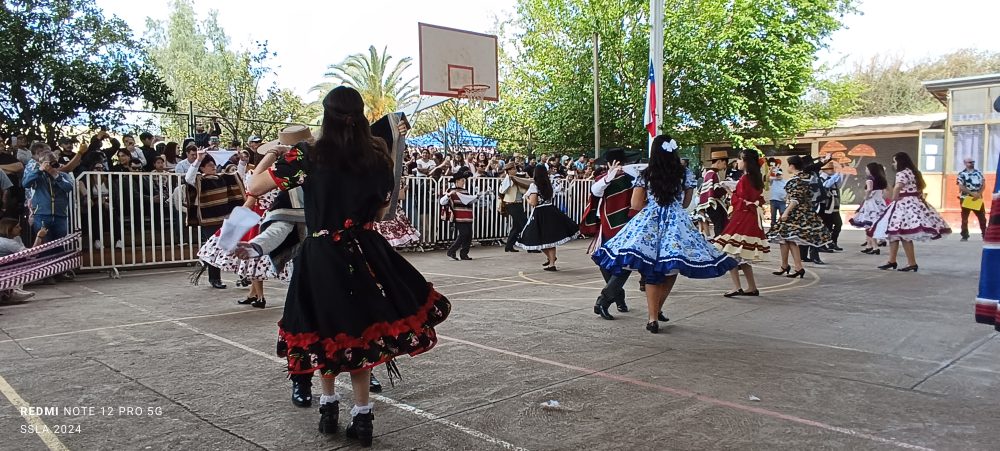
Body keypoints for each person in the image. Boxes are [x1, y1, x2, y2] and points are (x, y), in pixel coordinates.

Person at [246, 86, 451, 445]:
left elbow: (255, 186)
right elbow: (383, 211)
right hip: (364, 249)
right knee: (360, 328)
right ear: (360, 116)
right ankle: (363, 414)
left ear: (326, 115)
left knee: (323, 327)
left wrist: (272, 156)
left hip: (321, 253)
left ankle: (328, 407)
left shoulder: (307, 155)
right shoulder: (376, 155)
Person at [594, 135, 737, 333]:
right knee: (671, 267)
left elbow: (635, 204)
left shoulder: (646, 174)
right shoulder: (684, 173)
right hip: (676, 222)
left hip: (650, 219)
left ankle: (653, 318)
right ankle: (657, 309)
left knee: (651, 268)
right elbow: (686, 203)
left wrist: (651, 205)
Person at [582, 149, 639, 319]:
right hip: (606, 227)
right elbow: (596, 191)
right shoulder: (604, 179)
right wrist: (610, 176)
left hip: (627, 229)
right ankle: (618, 297)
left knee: (624, 265)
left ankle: (603, 300)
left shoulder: (633, 179)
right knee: (604, 263)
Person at [871, 152, 951, 272]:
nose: (893, 164)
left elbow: (898, 186)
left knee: (900, 233)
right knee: (896, 234)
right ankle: (895, 261)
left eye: (894, 161)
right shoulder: (914, 172)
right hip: (913, 202)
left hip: (903, 204)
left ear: (900, 161)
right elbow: (919, 188)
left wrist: (894, 198)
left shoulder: (901, 173)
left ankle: (906, 262)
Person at [713, 149, 770, 297]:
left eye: (739, 160)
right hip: (750, 218)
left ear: (746, 162)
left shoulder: (745, 179)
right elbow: (756, 199)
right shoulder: (755, 178)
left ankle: (737, 286)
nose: (737, 162)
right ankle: (751, 287)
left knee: (730, 251)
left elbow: (741, 201)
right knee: (741, 253)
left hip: (742, 218)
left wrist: (729, 191)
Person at [187, 150, 244, 289]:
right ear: (202, 168)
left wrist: (242, 161)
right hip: (209, 221)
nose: (213, 167)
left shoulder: (223, 178)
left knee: (236, 246)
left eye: (214, 164)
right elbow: (188, 178)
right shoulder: (199, 180)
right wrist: (198, 159)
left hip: (225, 219)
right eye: (210, 165)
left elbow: (239, 176)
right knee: (215, 248)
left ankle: (243, 276)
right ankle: (215, 278)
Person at [767, 155, 832, 278]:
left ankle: (792, 266)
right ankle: (792, 266)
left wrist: (786, 212)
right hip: (804, 211)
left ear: (792, 166)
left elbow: (795, 199)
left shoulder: (797, 180)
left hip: (796, 213)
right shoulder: (806, 177)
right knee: (787, 238)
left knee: (785, 237)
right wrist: (824, 160)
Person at [515, 165, 579, 270]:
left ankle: (551, 259)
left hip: (540, 213)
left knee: (535, 237)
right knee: (550, 238)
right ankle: (552, 261)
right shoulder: (549, 185)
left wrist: (526, 198)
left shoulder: (534, 186)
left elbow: (534, 203)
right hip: (551, 211)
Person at [22, 150, 74, 243]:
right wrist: (39, 170)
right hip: (42, 215)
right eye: (49, 163)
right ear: (41, 163)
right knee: (44, 246)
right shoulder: (37, 176)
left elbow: (69, 187)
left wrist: (55, 175)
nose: (52, 165)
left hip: (60, 215)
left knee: (59, 245)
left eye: (54, 162)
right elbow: (25, 183)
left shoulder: (63, 175)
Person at [0, 218, 45, 303]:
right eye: (17, 227)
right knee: (21, 261)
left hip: (6, 266)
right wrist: (39, 237)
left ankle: (15, 289)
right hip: (4, 268)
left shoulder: (16, 238)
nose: (20, 228)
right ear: (9, 229)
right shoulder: (7, 242)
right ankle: (10, 292)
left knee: (22, 260)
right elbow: (30, 253)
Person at [850, 162, 889, 255]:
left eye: (867, 169)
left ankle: (874, 247)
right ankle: (869, 245)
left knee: (869, 225)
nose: (866, 170)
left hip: (871, 203)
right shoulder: (881, 179)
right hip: (879, 202)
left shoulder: (870, 178)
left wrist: (866, 196)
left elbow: (869, 189)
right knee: (872, 224)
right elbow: (884, 192)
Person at [439, 167, 478, 260]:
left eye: (464, 180)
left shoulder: (465, 191)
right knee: (464, 234)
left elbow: (469, 202)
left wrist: (475, 198)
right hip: (459, 216)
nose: (463, 182)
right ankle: (452, 251)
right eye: (461, 180)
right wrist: (448, 195)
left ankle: (464, 253)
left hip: (468, 215)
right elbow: (442, 202)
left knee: (469, 235)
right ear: (456, 181)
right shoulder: (451, 190)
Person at [499, 162, 532, 252]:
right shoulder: (507, 179)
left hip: (518, 203)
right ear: (509, 171)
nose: (515, 170)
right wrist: (509, 180)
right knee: (524, 224)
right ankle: (530, 246)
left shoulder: (516, 179)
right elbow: (502, 190)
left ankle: (509, 246)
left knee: (516, 226)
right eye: (513, 169)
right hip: (511, 204)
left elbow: (521, 190)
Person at [695, 150, 729, 237]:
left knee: (720, 226)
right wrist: (726, 188)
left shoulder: (709, 173)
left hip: (712, 205)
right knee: (720, 227)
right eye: (724, 164)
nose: (724, 167)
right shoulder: (712, 174)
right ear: (719, 161)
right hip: (713, 205)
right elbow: (714, 191)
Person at [957, 157, 987, 242]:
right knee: (965, 218)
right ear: (965, 163)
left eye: (973, 162)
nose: (972, 163)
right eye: (970, 162)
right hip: (966, 198)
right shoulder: (962, 174)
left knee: (982, 217)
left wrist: (979, 194)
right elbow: (961, 186)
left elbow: (983, 184)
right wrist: (972, 193)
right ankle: (964, 235)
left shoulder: (979, 173)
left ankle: (985, 234)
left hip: (977, 198)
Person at [817, 160, 844, 252]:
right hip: (825, 206)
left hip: (834, 206)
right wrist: (836, 175)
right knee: (826, 226)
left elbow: (839, 183)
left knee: (838, 224)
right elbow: (826, 185)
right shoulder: (821, 178)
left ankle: (833, 242)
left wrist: (840, 172)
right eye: (829, 168)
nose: (832, 170)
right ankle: (824, 244)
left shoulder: (833, 178)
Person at [767, 159, 786, 228]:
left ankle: (782, 227)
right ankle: (772, 228)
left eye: (780, 174)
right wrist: (771, 170)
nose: (778, 176)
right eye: (777, 174)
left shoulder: (785, 182)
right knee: (773, 216)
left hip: (782, 201)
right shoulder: (773, 180)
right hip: (773, 200)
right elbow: (767, 178)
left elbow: (788, 191)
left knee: (783, 214)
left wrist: (786, 198)